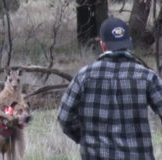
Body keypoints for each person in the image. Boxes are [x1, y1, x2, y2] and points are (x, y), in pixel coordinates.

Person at [57, 17, 162, 160]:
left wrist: (85, 138)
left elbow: (64, 117)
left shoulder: (83, 77)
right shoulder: (147, 77)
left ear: (102, 44)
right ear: (128, 43)